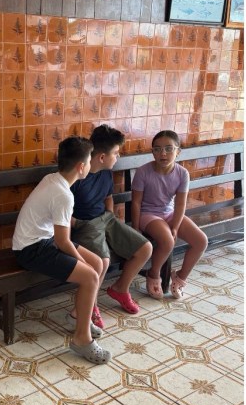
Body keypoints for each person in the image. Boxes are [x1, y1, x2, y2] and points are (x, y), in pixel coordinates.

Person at [12, 136, 111, 365]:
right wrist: (82, 265)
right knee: (90, 275)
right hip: (31, 249)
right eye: (88, 161)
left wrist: (86, 264)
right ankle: (81, 339)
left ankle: (82, 320)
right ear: (81, 166)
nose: (89, 165)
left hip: (44, 241)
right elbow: (63, 241)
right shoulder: (63, 194)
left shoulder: (53, 179)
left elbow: (59, 238)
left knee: (96, 263)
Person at [70, 124, 153, 317]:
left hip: (106, 219)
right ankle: (90, 304)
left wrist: (109, 216)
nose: (118, 157)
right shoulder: (78, 175)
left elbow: (108, 196)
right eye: (116, 153)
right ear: (101, 157)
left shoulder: (106, 171)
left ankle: (120, 289)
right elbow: (61, 207)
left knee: (145, 249)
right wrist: (78, 224)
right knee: (103, 261)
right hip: (85, 224)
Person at [130, 130, 208, 300]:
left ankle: (179, 278)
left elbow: (180, 204)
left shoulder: (182, 173)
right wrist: (135, 228)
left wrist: (175, 226)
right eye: (157, 149)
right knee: (167, 240)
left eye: (168, 148)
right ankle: (153, 274)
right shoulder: (143, 172)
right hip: (148, 214)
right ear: (152, 152)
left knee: (201, 241)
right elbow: (136, 202)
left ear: (177, 151)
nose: (163, 153)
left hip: (169, 212)